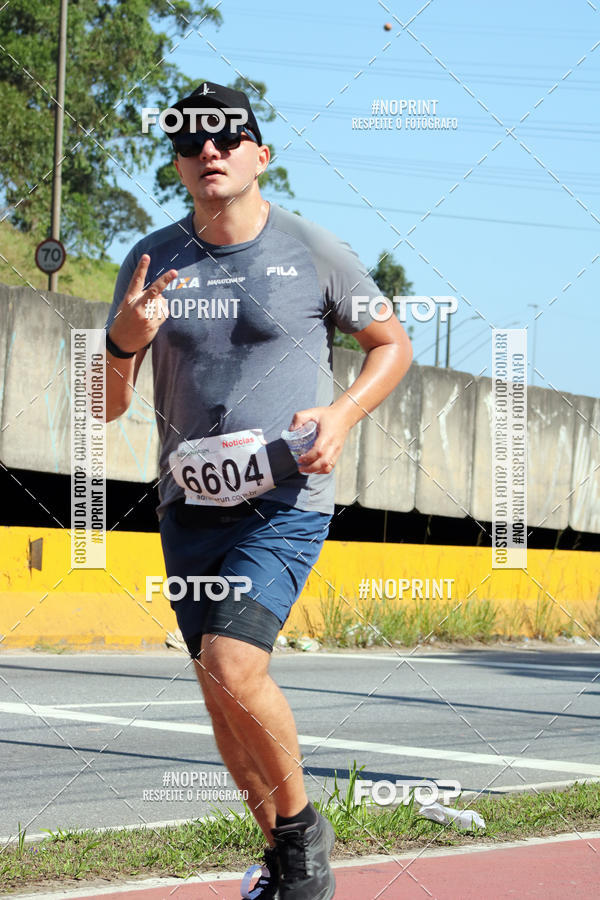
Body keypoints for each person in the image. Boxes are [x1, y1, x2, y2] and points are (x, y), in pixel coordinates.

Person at [104, 81, 412, 900]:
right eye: (192, 140)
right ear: (177, 163)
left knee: (235, 664)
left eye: (228, 136)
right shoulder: (151, 258)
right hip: (186, 510)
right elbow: (102, 404)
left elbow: (391, 344)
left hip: (283, 502)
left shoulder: (314, 250)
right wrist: (121, 342)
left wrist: (343, 414)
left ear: (259, 155)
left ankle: (305, 848)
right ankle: (280, 862)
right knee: (219, 690)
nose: (210, 149)